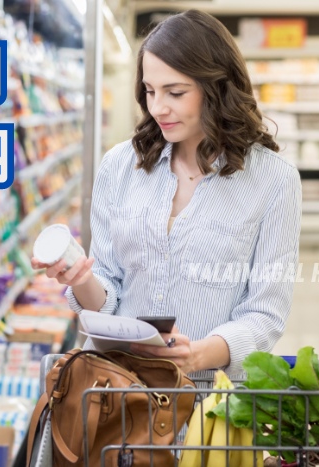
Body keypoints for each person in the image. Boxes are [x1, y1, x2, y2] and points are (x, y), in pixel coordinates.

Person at [31, 10, 302, 377]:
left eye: (175, 92)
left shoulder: (273, 180)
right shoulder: (120, 166)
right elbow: (106, 294)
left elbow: (265, 314)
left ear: (217, 87)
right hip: (117, 395)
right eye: (149, 90)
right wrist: (81, 280)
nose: (158, 107)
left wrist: (200, 355)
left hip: (207, 401)